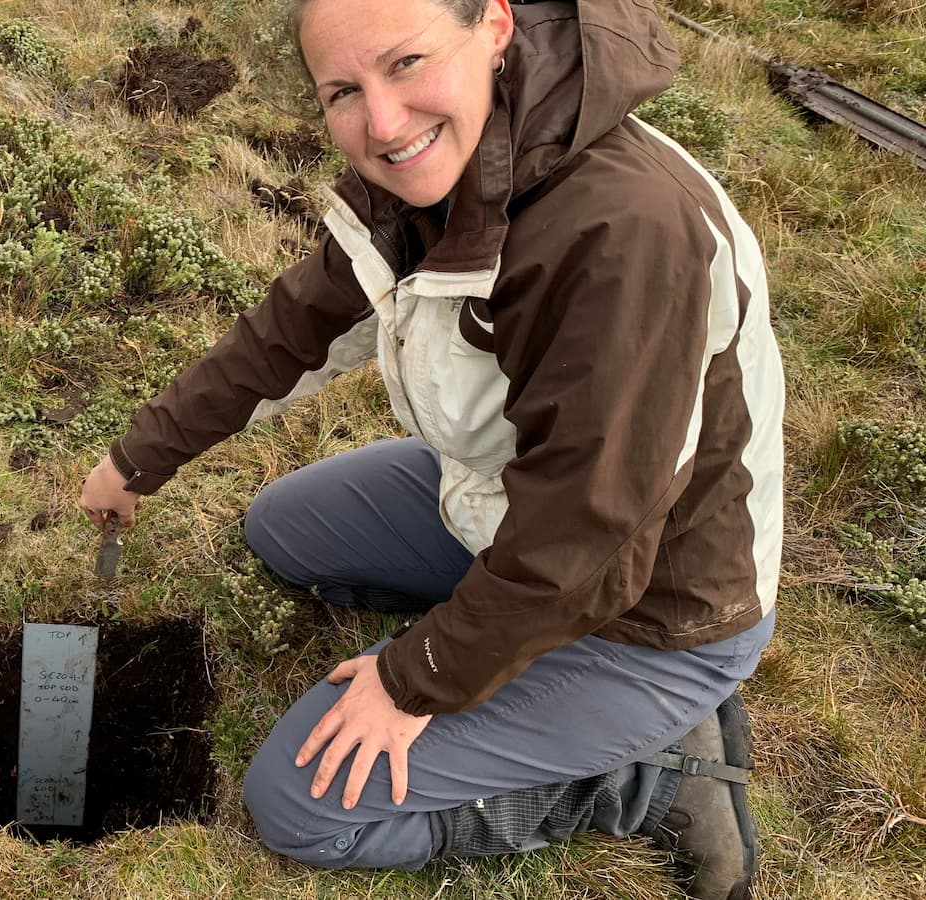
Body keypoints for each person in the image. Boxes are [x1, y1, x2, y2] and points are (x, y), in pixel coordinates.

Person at [79, 0, 782, 897]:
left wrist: (418, 678)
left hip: (654, 606)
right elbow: (295, 327)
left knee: (303, 804)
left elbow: (588, 541)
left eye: (406, 62)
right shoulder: (439, 164)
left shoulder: (626, 234)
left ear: (493, 26)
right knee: (285, 531)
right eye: (344, 90)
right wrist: (142, 455)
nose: (379, 121)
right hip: (513, 500)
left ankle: (643, 776)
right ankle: (533, 670)